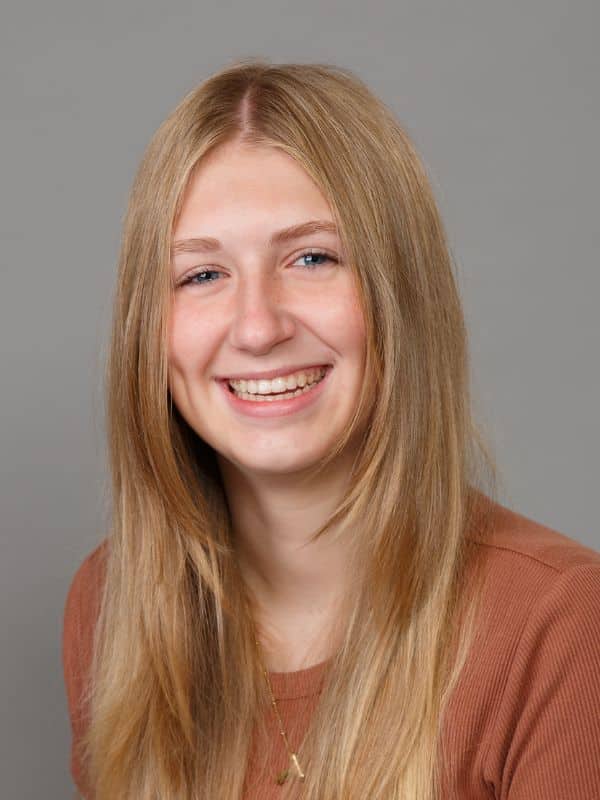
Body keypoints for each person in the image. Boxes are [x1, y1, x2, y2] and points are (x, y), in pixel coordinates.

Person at [62, 60, 600, 800]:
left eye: (312, 258)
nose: (257, 327)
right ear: (146, 330)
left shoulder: (565, 626)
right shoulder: (111, 605)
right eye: (202, 275)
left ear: (400, 294)